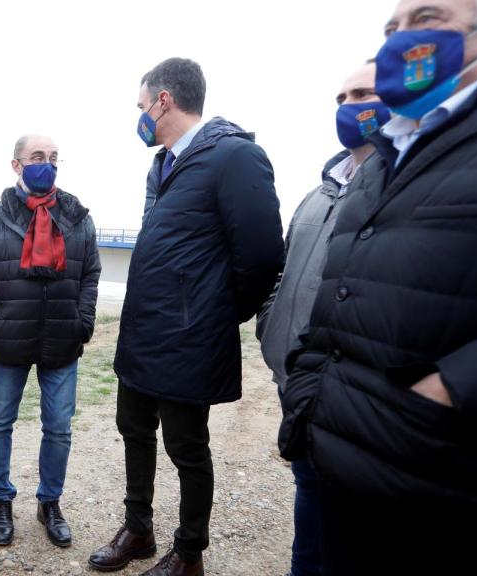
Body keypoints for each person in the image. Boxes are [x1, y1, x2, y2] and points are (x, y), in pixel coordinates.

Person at [278, 1, 477, 573]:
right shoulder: (384, 161)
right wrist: (308, 389)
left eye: (426, 20)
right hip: (338, 454)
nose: (399, 41)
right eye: (391, 28)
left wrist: (452, 388)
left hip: (442, 478)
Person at [89, 58, 283, 576]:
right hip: (145, 333)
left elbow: (263, 255)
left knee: (186, 447)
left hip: (188, 338)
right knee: (133, 429)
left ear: (164, 101)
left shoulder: (235, 157)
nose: (140, 116)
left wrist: (217, 314)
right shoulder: (165, 164)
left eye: (141, 106)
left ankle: (189, 551)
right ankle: (139, 530)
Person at [255, 60, 389, 576]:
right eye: (341, 98)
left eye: (363, 94)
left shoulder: (400, 186)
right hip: (297, 378)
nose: (349, 106)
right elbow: (283, 272)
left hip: (352, 388)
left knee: (350, 521)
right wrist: (272, 329)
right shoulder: (318, 192)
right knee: (308, 496)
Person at [0, 134, 101, 548]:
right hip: (9, 342)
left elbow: (91, 273)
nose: (48, 164)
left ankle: (50, 503)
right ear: (17, 165)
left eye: (54, 158)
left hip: (62, 339)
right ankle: (1, 501)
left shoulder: (77, 215)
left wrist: (83, 322)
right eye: (38, 157)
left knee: (58, 428)